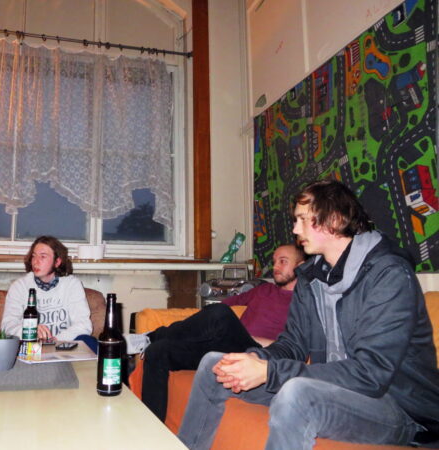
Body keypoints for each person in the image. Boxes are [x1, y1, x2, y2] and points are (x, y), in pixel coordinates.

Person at [178, 180, 439, 449]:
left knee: (297, 394)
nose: (295, 229)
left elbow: (370, 374)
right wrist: (256, 360)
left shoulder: (389, 275)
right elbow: (293, 345)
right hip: (334, 391)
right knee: (215, 365)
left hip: (398, 408)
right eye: (295, 220)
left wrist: (271, 372)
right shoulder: (311, 277)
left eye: (303, 219)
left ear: (335, 219)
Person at [125, 244, 305, 422]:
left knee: (220, 313)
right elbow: (217, 310)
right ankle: (151, 427)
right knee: (158, 351)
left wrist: (249, 337)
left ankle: (150, 337)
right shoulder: (263, 289)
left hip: (257, 355)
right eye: (274, 261)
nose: (275, 267)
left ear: (300, 266)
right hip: (226, 346)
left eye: (283, 261)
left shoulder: (304, 303)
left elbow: (295, 348)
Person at [1, 235, 97, 352]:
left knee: (90, 341)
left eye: (43, 256)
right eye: (34, 256)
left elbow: (84, 325)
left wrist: (54, 340)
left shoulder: (71, 284)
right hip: (31, 347)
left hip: (63, 346)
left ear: (57, 262)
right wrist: (30, 331)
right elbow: (7, 326)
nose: (35, 262)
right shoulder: (19, 286)